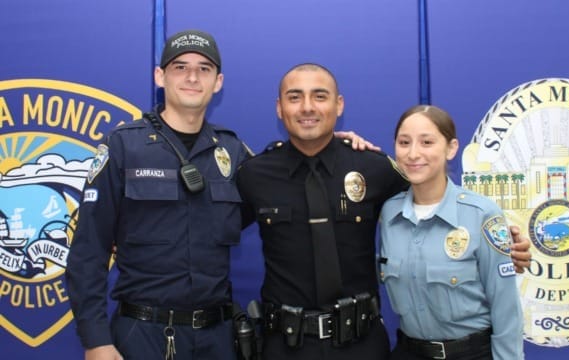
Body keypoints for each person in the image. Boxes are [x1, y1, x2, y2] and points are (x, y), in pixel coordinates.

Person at [235, 63, 530, 360]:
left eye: (320, 96)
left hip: (361, 344)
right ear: (279, 107)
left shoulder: (375, 168)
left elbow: (433, 197)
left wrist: (504, 248)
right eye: (295, 97)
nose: (307, 107)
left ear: (339, 105)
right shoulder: (254, 174)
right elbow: (213, 228)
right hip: (285, 347)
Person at [66, 29, 251, 360]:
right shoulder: (122, 146)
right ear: (159, 76)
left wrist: (329, 141)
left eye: (204, 69)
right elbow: (88, 250)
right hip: (143, 335)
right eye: (180, 67)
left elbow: (282, 183)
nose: (192, 76)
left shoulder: (233, 152)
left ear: (218, 81)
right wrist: (95, 340)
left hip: (218, 338)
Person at [379, 105, 524, 360]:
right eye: (404, 142)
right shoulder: (390, 214)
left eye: (427, 142)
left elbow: (506, 308)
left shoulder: (482, 215)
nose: (413, 153)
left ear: (451, 148)